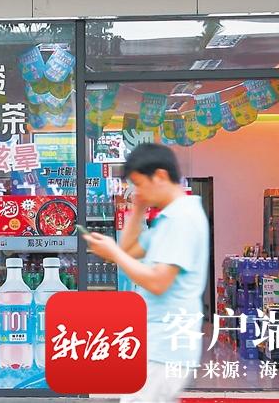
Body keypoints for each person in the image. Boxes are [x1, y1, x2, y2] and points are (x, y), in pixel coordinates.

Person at [83, 143, 209, 403]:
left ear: (160, 176)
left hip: (166, 349)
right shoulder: (169, 218)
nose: (137, 191)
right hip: (160, 346)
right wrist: (138, 209)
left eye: (139, 184)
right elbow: (129, 249)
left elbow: (159, 282)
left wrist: (113, 253)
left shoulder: (181, 219)